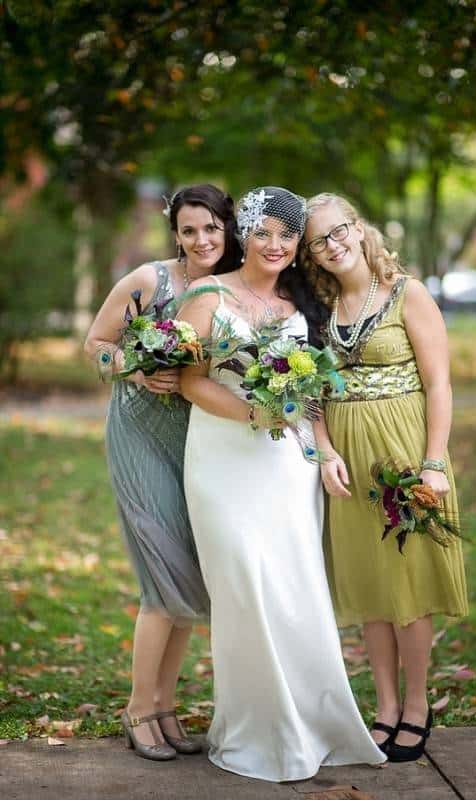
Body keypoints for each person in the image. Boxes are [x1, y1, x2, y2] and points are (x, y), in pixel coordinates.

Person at [178, 186, 386, 782]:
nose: (276, 245)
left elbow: (313, 388)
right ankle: (258, 728)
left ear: (298, 244)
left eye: (288, 236)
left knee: (295, 589)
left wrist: (323, 453)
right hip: (222, 459)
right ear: (244, 234)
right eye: (264, 232)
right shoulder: (207, 295)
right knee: (245, 582)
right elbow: (192, 380)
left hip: (288, 467)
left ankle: (310, 723)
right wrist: (253, 414)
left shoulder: (301, 299)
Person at [301, 193, 468, 762]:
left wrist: (434, 463)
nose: (333, 244)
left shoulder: (406, 293)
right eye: (319, 240)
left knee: (409, 587)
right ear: (313, 255)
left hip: (404, 455)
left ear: (358, 226)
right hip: (347, 462)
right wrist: (324, 450)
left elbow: (439, 384)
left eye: (338, 230)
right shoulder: (318, 308)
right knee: (371, 588)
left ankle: (418, 706)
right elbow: (311, 390)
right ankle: (385, 706)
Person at [84, 184, 241, 761]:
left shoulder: (233, 285)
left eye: (211, 228)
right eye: (189, 229)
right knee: (160, 576)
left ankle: (166, 706)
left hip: (199, 440)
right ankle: (137, 710)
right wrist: (133, 369)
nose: (201, 239)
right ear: (175, 233)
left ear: (227, 228)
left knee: (187, 577)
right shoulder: (150, 282)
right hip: (140, 434)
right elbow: (96, 344)